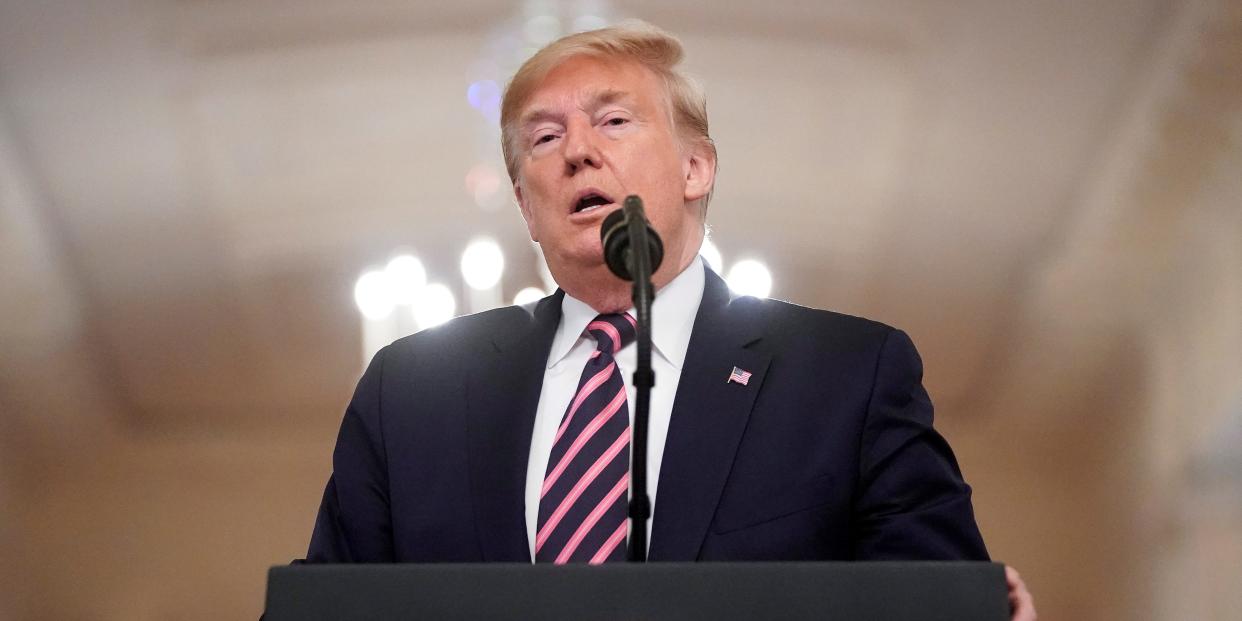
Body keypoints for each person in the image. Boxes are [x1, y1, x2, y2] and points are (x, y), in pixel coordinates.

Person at [305, 21, 1035, 620]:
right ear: (526, 207)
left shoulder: (846, 375)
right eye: (544, 139)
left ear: (696, 169)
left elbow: (935, 599)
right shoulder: (410, 395)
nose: (579, 151)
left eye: (614, 121)